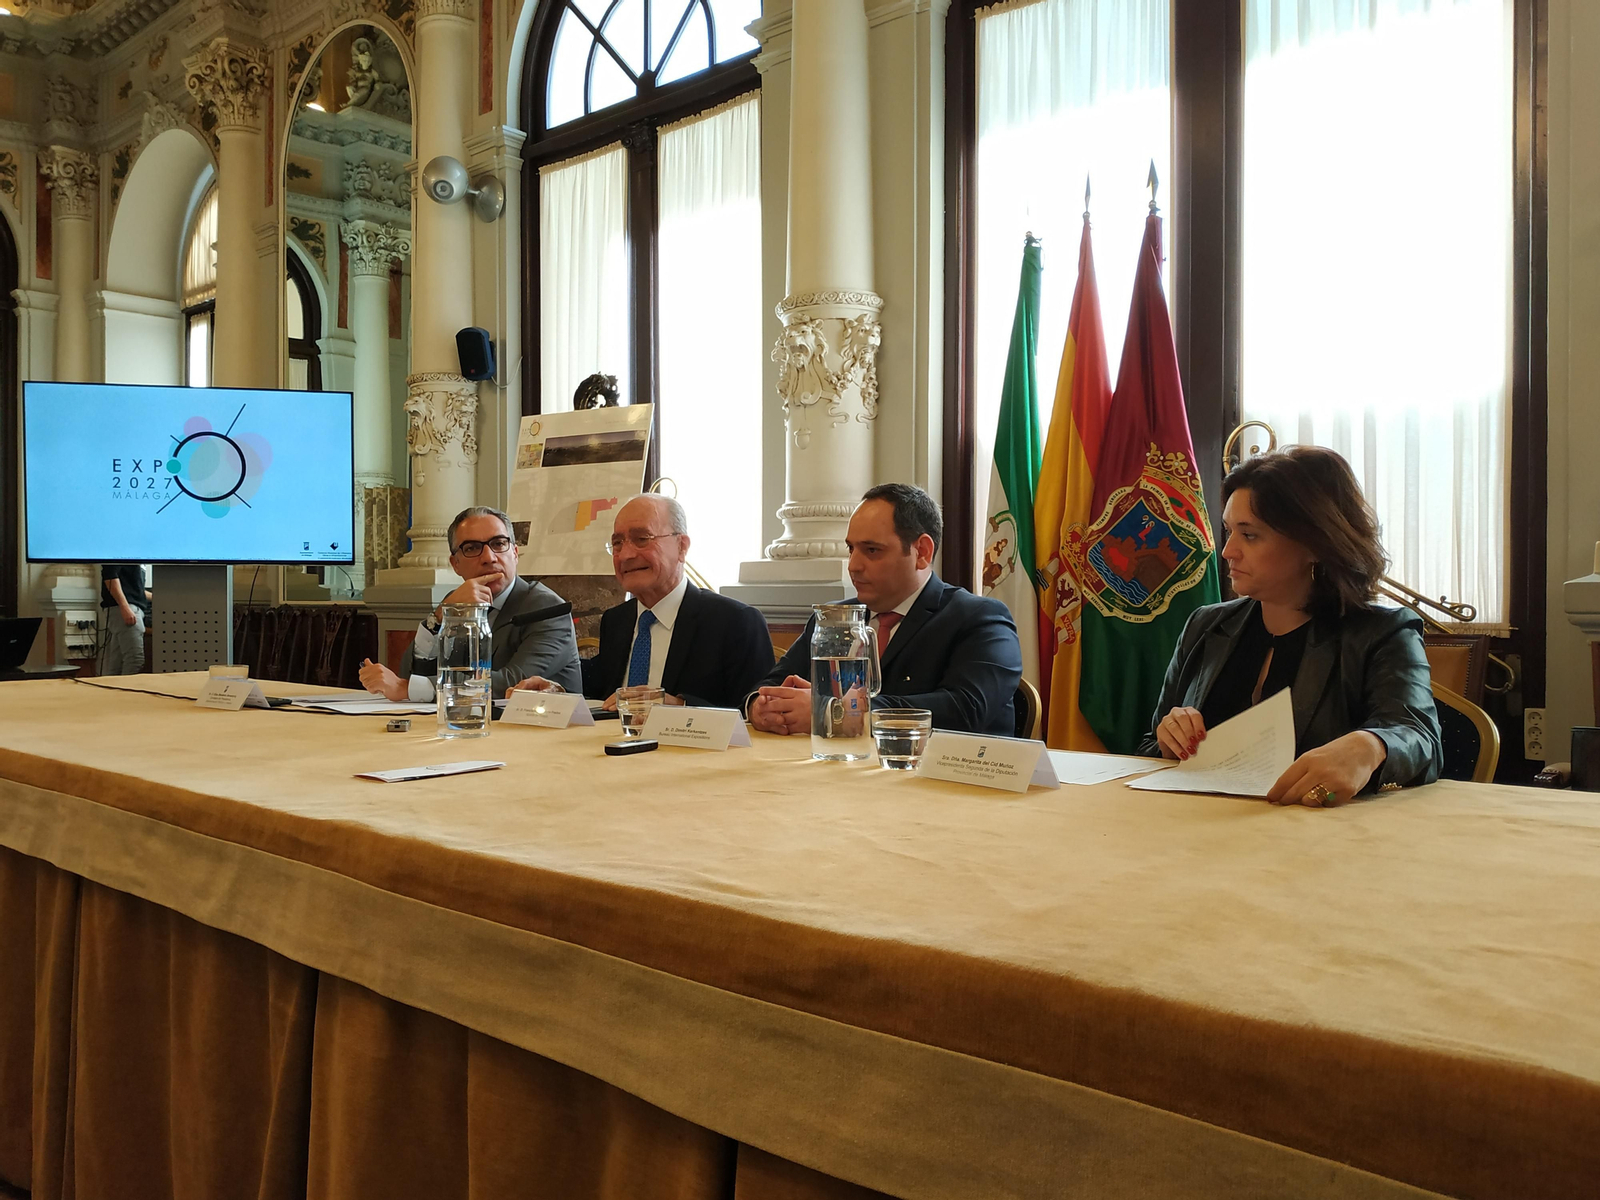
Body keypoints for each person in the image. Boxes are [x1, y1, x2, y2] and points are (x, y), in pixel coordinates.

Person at [1140, 446, 1442, 805]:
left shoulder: (1384, 632)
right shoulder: (1205, 625)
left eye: (1249, 535)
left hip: (1323, 843)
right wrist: (1168, 737)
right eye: (1229, 531)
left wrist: (1372, 745)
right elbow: (1148, 746)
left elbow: (1420, 739)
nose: (1228, 551)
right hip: (1197, 835)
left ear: (1315, 544)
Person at [749, 483, 1022, 737]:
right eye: (851, 549)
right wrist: (762, 707)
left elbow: (966, 709)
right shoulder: (834, 619)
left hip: (950, 782)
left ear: (922, 552)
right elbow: (770, 684)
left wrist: (839, 713)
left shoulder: (980, 619)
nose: (853, 566)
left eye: (871, 550)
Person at [511, 494, 774, 709]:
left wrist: (679, 708)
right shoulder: (617, 620)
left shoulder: (734, 621)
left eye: (641, 539)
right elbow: (604, 689)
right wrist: (557, 690)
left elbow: (755, 713)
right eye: (617, 543)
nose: (625, 554)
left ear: (682, 547)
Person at [358, 506, 582, 701]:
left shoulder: (547, 608)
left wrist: (408, 688)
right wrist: (441, 615)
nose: (489, 557)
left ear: (514, 553)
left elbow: (512, 682)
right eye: (472, 548)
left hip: (544, 736)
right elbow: (412, 671)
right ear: (455, 564)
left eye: (498, 544)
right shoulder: (460, 600)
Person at [99, 564, 149, 675]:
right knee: (135, 661)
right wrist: (124, 607)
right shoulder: (124, 550)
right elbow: (110, 576)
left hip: (125, 608)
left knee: (117, 664)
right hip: (126, 609)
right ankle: (128, 692)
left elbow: (136, 591)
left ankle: (112, 691)